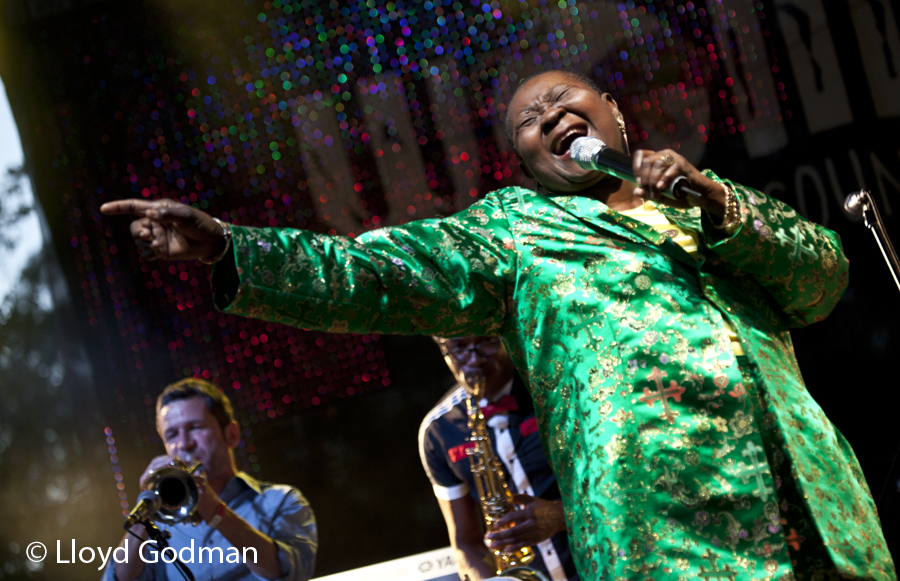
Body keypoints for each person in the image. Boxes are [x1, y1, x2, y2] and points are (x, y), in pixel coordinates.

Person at [101, 69, 896, 580]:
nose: (550, 116)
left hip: (817, 516)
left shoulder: (703, 200)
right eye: (529, 119)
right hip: (673, 543)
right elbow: (370, 274)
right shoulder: (516, 232)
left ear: (612, 111)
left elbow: (821, 280)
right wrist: (230, 248)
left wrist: (718, 201)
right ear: (525, 160)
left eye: (564, 101)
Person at [103, 378, 317, 581]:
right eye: (172, 435)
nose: (184, 444)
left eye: (195, 428)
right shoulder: (159, 525)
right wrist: (147, 509)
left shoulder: (281, 501)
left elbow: (293, 574)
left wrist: (216, 512)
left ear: (231, 434)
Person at [420, 336, 579, 581]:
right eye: (457, 348)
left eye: (485, 342)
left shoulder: (558, 392)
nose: (473, 359)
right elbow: (466, 544)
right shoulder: (438, 431)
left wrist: (560, 516)